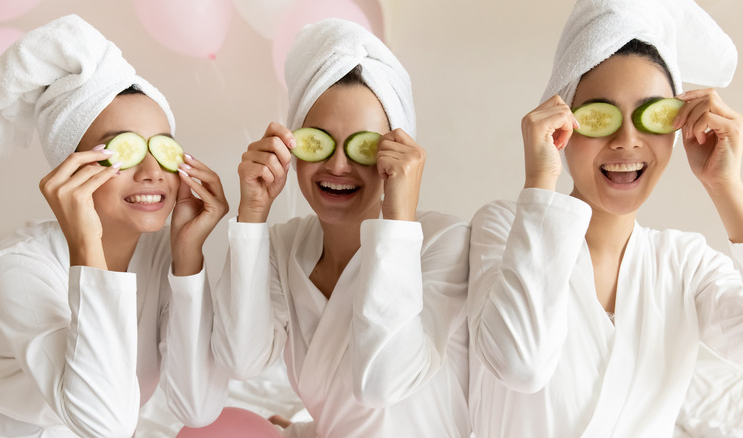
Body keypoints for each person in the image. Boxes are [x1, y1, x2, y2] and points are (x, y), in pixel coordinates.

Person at [467, 0, 743, 437]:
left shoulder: (686, 264)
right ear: (562, 123)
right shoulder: (504, 230)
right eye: (599, 116)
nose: (626, 140)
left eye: (651, 116)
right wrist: (541, 176)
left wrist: (727, 188)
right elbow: (520, 364)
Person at [0, 15, 229, 437]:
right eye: (123, 150)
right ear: (71, 168)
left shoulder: (165, 253)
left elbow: (196, 408)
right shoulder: (17, 267)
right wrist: (87, 245)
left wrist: (187, 258)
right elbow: (104, 425)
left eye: (162, 149)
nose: (151, 170)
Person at [212, 18, 470, 438]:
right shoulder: (283, 246)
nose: (336, 165)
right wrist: (253, 212)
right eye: (319, 141)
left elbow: (384, 385)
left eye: (364, 146)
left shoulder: (445, 242)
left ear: (397, 151)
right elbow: (242, 360)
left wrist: (398, 213)